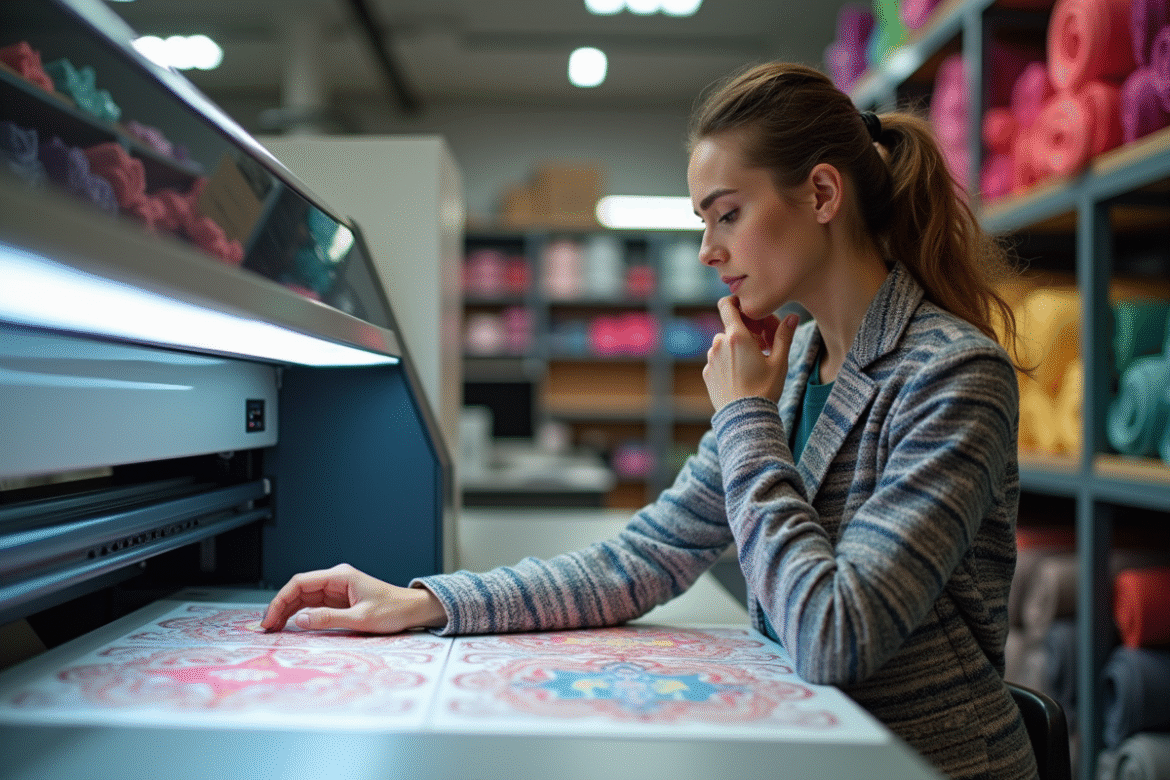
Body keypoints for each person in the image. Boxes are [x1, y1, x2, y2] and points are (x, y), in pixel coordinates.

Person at [262, 62, 1036, 780]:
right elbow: (639, 558)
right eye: (704, 221)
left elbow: (835, 635)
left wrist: (745, 417)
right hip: (820, 751)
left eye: (727, 215)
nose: (707, 251)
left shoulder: (951, 376)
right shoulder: (797, 366)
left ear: (823, 194)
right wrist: (426, 602)